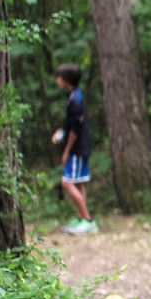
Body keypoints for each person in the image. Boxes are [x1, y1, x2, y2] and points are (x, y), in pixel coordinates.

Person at [51, 63, 98, 235]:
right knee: (78, 183)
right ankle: (81, 220)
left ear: (66, 80)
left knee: (67, 183)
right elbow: (72, 125)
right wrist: (61, 133)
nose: (57, 80)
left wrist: (66, 150)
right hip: (79, 148)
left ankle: (88, 220)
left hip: (77, 149)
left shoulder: (75, 101)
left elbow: (75, 130)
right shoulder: (75, 96)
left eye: (59, 77)